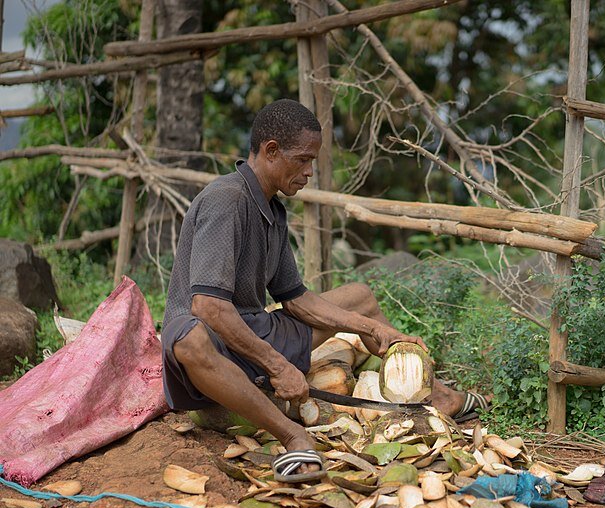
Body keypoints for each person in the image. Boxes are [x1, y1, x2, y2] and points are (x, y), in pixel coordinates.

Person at [160, 99, 488, 483]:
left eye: (312, 161)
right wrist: (278, 365)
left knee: (359, 297)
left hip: (250, 332)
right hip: (213, 343)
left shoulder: (273, 211)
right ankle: (293, 436)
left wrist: (368, 328)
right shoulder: (226, 200)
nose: (309, 172)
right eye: (302, 160)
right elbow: (209, 308)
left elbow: (296, 298)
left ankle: (438, 395)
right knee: (189, 341)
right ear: (270, 151)